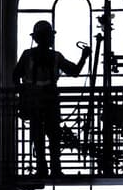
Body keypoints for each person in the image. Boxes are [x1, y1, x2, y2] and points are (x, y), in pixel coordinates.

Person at [13, 20, 90, 177]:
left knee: (41, 136)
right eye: (49, 36)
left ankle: (44, 168)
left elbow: (16, 76)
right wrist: (84, 57)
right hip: (47, 102)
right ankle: (54, 168)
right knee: (52, 136)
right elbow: (74, 71)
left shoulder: (29, 55)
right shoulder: (54, 57)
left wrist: (22, 92)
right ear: (47, 38)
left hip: (37, 102)